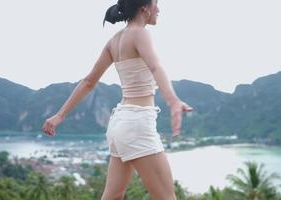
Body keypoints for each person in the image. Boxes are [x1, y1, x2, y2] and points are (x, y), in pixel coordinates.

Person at [42, 0, 193, 199]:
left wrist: (60, 115)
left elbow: (89, 81)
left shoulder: (114, 41)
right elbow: (156, 67)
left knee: (113, 196)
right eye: (156, 3)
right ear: (144, 8)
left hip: (119, 124)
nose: (159, 9)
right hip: (137, 124)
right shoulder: (140, 33)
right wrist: (173, 100)